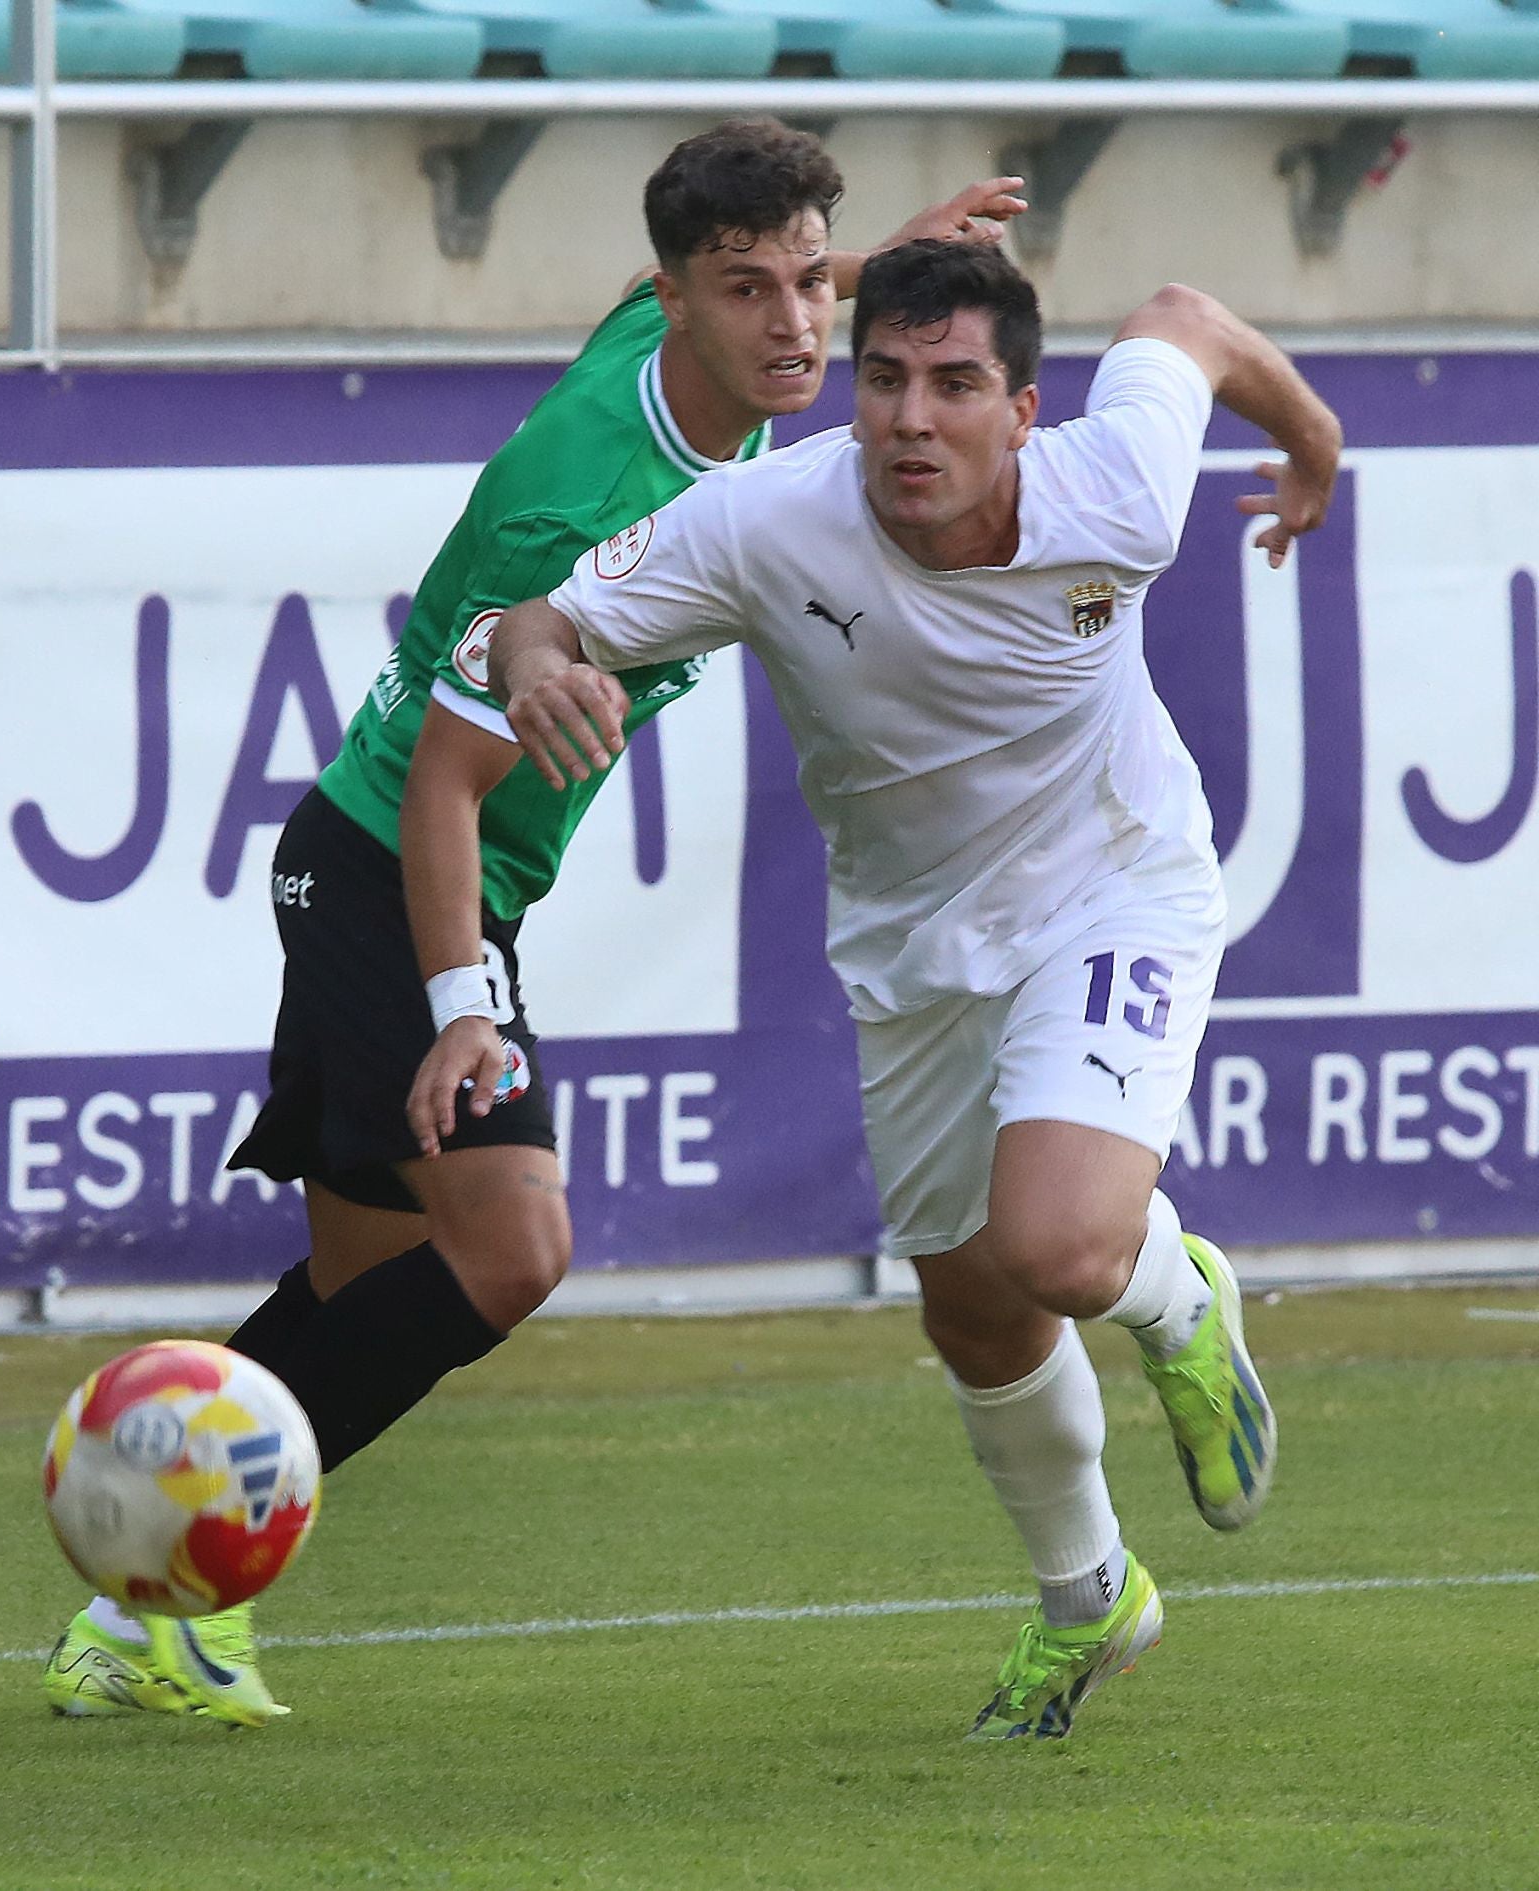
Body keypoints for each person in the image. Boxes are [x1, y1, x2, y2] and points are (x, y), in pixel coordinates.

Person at [42, 125, 1028, 1725]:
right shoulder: (569, 507)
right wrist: (459, 1005)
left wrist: (890, 254)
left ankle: (146, 1585)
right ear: (675, 298)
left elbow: (758, 284)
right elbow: (443, 787)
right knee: (514, 1248)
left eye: (810, 284)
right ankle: (152, 1583)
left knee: (367, 1300)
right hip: (389, 876)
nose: (797, 327)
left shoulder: (676, 347)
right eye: (752, 292)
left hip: (407, 878)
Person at [477, 239, 1340, 1740]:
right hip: (911, 943)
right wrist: (540, 662)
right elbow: (540, 618)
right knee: (975, 1318)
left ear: (1022, 408)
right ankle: (1091, 1604)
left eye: (953, 386)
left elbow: (1185, 318)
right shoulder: (766, 521)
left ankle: (1179, 1300)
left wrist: (1312, 441)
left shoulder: (1117, 489)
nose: (909, 420)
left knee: (1063, 1250)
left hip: (1114, 882)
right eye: (882, 380)